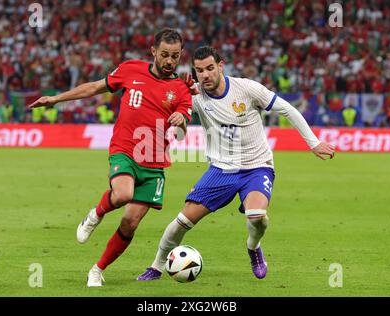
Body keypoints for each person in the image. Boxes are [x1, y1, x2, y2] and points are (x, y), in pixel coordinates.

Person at [138, 46, 335, 281]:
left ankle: (253, 248)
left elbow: (287, 109)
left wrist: (313, 143)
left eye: (210, 68)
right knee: (182, 221)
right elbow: (176, 125)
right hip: (220, 170)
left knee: (257, 217)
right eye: (199, 71)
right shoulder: (194, 95)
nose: (205, 75)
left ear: (221, 66)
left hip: (256, 166)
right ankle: (157, 266)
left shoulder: (247, 89)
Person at [28, 28, 192, 287]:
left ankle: (97, 269)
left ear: (181, 55)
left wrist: (181, 120)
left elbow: (183, 127)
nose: (169, 61)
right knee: (124, 193)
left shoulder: (182, 88)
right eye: (164, 55)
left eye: (175, 56)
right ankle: (95, 214)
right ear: (153, 52)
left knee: (130, 223)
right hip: (125, 150)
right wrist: (56, 99)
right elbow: (94, 87)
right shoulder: (131, 69)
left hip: (155, 161)